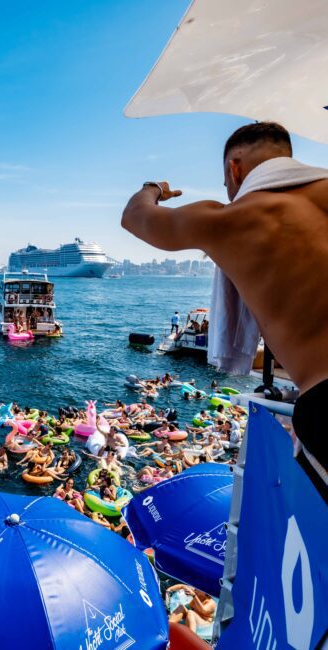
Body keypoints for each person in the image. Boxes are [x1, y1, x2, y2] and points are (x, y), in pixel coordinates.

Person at [121, 121, 328, 491]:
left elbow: (136, 218)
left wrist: (152, 188)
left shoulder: (236, 218)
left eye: (226, 183)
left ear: (235, 167)